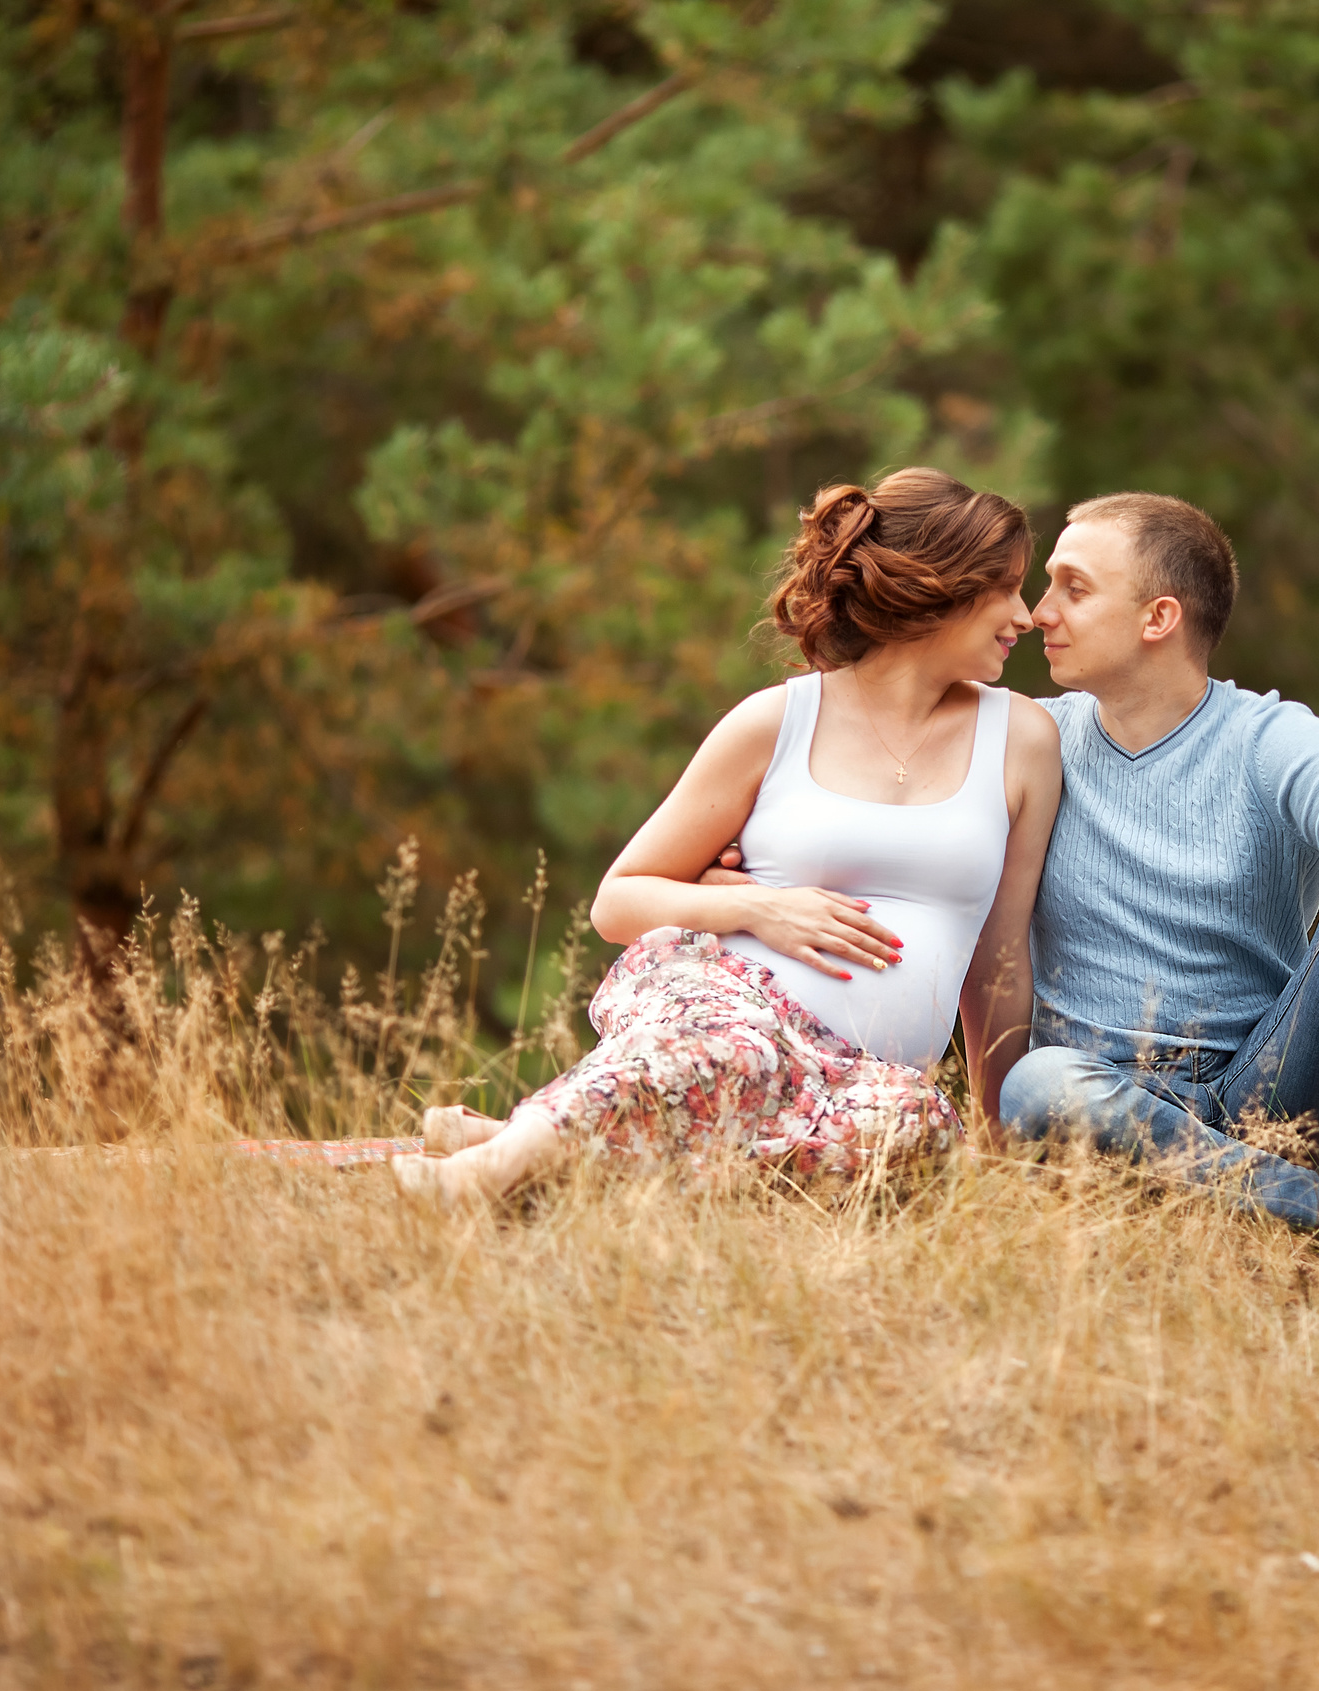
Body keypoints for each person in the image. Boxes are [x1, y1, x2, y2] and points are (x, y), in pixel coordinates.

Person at [390, 468, 1062, 1206]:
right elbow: (618, 900)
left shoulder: (1022, 739)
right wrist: (758, 910)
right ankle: (472, 1181)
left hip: (864, 1074)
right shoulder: (775, 722)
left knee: (909, 1133)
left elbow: (999, 956)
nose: (1024, 616)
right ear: (937, 584)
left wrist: (998, 1144)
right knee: (730, 1053)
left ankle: (524, 1137)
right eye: (1004, 588)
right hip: (728, 998)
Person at [995, 493, 1319, 1309]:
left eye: (1072, 586)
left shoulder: (1268, 740)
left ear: (1157, 616)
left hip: (1267, 1086)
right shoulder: (1031, 737)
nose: (1037, 611)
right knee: (1037, 1084)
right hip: (1101, 1092)